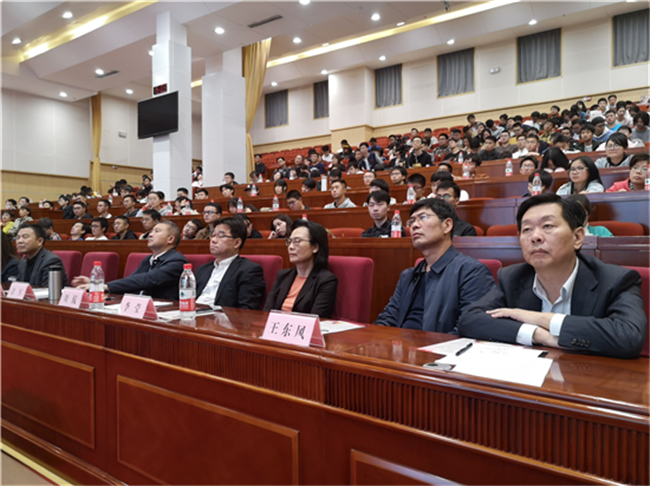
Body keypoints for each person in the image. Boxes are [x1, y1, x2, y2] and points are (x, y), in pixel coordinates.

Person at [458, 193, 646, 359]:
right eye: (527, 229)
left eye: (547, 226)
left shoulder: (616, 279)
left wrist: (539, 318)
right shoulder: (512, 277)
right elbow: (469, 320)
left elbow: (629, 337)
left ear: (577, 237)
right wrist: (539, 335)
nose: (535, 237)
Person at [374, 198, 494, 332]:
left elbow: (470, 328)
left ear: (447, 225)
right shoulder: (408, 275)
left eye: (423, 218)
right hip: (400, 342)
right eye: (412, 221)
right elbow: (388, 318)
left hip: (440, 344)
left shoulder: (472, 272)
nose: (414, 226)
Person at [74, 221, 187, 301]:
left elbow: (147, 279)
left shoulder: (177, 261)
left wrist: (104, 286)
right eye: (151, 231)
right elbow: (131, 281)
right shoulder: (148, 259)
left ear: (170, 239)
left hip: (164, 312)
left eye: (157, 231)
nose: (150, 234)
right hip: (140, 307)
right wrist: (99, 284)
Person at [264, 220, 338, 318]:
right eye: (289, 241)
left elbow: (316, 320)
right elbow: (267, 313)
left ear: (315, 247)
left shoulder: (325, 281)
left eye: (297, 241)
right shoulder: (283, 275)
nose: (290, 247)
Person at [195, 217, 266, 309]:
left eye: (221, 236)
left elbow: (247, 310)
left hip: (220, 316)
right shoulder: (202, 269)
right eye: (213, 235)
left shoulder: (249, 270)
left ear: (237, 243)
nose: (213, 240)